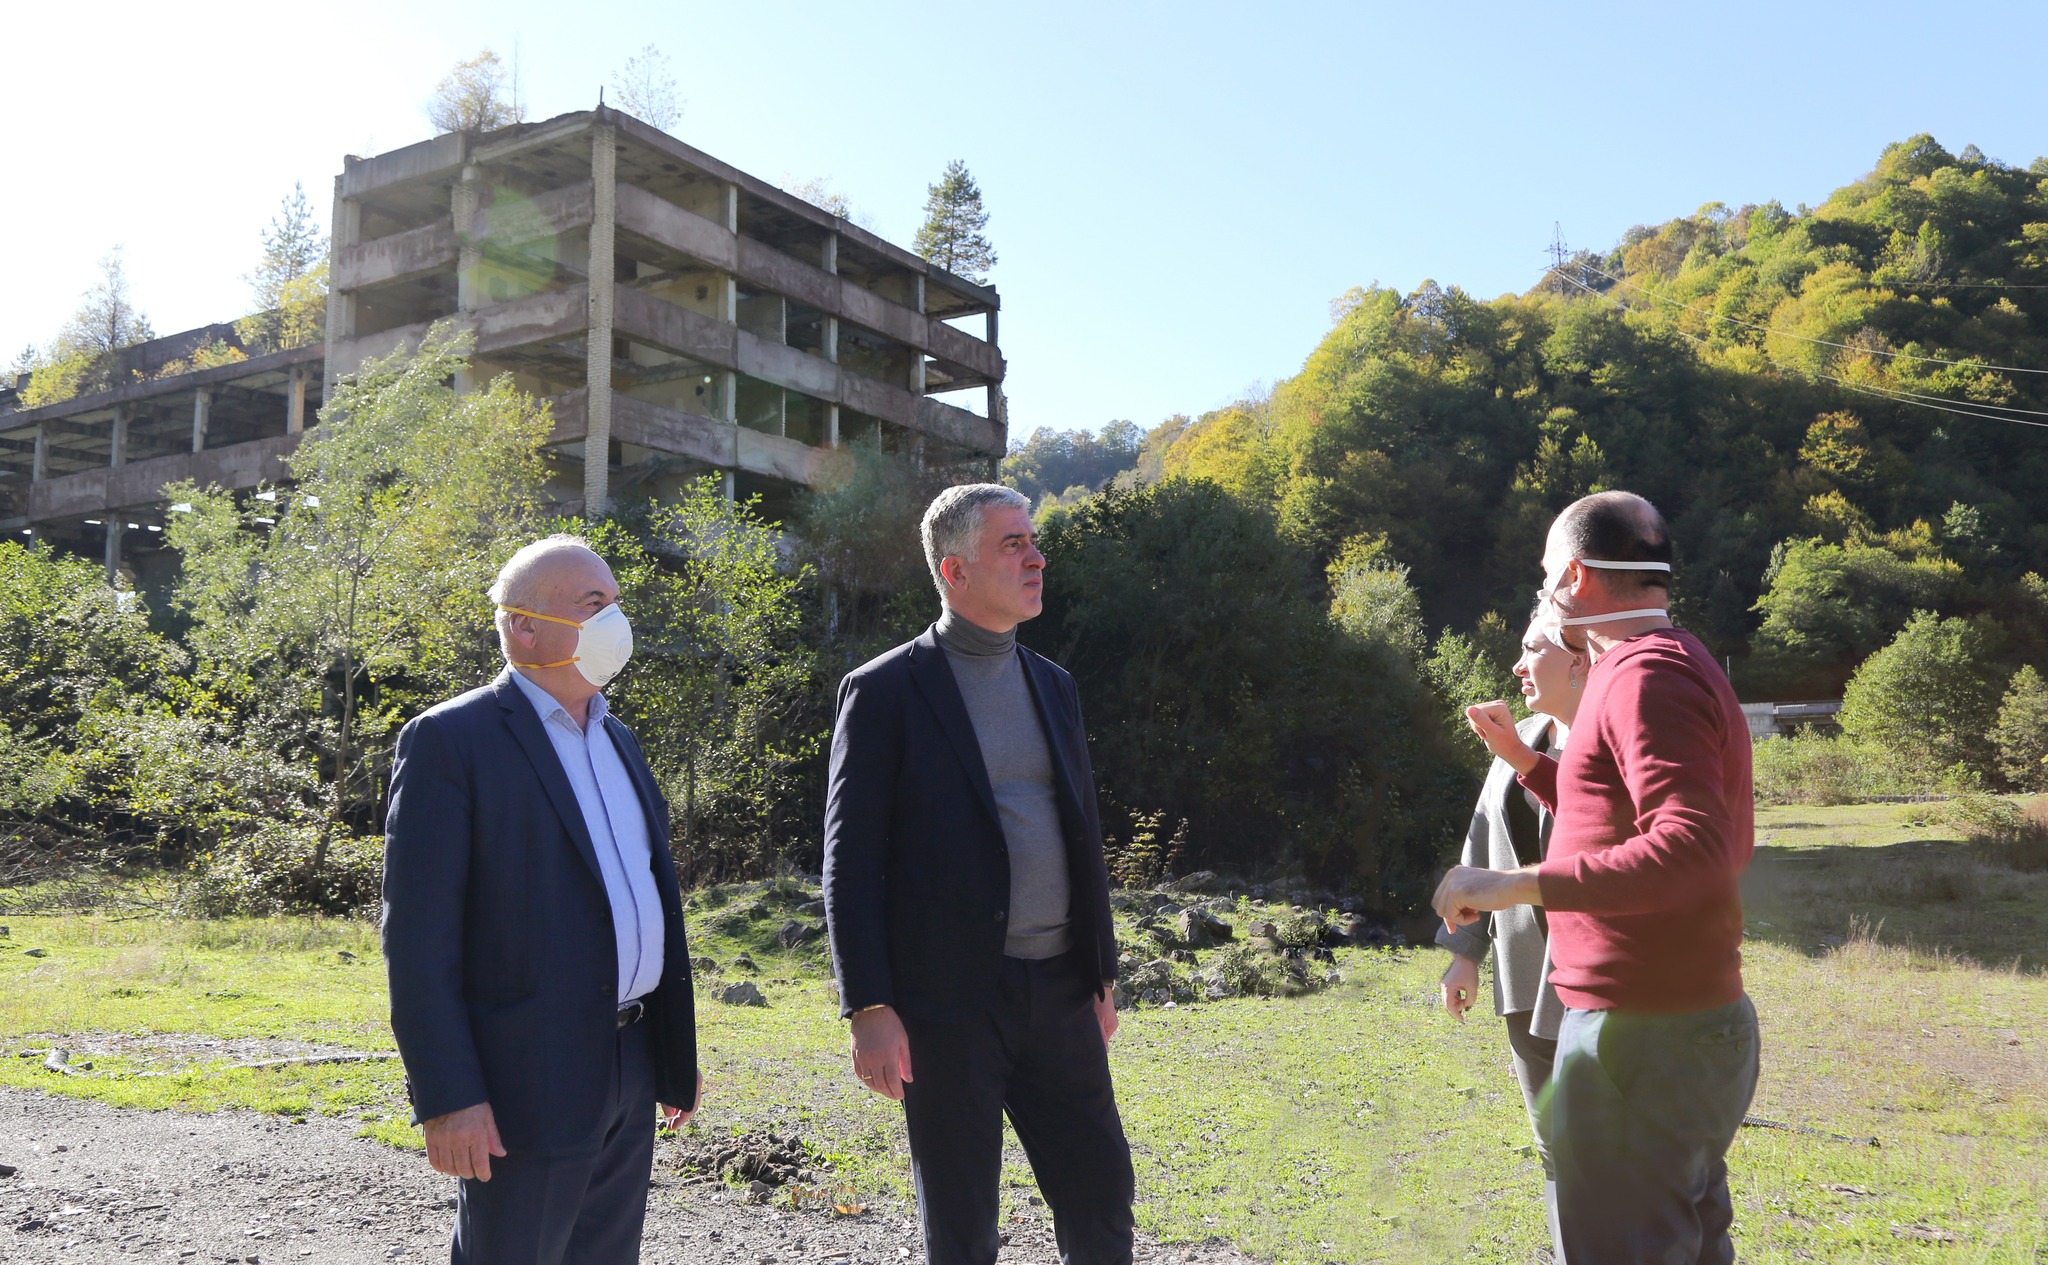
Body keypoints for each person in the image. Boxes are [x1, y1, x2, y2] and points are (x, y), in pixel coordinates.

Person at [1433, 491, 1758, 1265]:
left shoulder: (1648, 676)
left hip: (1640, 1037)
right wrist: (1526, 763)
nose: (1543, 589)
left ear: (1575, 575)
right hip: (1659, 1029)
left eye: (1547, 573)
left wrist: (1513, 884)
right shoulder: (1656, 663)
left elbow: (1691, 847)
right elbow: (1608, 808)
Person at [823, 483, 1134, 1265]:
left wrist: (1099, 970)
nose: (1037, 557)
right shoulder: (884, 691)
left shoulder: (1054, 683)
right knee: (962, 1226)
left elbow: (1081, 832)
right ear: (955, 570)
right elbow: (849, 861)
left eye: (1034, 540)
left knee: (1101, 1194)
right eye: (1013, 544)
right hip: (947, 1003)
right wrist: (869, 1005)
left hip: (1061, 989)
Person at [382, 534, 701, 1265]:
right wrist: (448, 1096)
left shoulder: (619, 739)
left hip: (630, 1059)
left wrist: (667, 1052)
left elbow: (644, 896)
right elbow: (419, 941)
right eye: (593, 604)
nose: (614, 620)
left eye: (615, 602)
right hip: (524, 1074)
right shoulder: (450, 741)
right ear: (524, 626)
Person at [1437, 602, 1585, 1262]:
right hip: (1525, 969)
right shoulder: (1518, 737)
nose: (1518, 665)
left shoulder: (1610, 741)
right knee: (1554, 1142)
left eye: (1533, 649)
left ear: (1579, 660)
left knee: (1612, 1146)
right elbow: (1482, 842)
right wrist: (1464, 953)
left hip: (1599, 977)